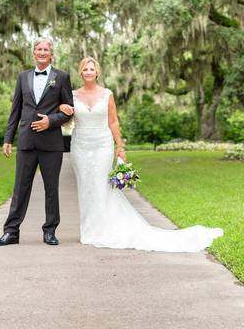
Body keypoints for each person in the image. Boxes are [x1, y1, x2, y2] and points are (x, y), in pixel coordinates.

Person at [68, 56, 224, 251]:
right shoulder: (71, 95)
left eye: (92, 69)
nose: (88, 72)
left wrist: (120, 147)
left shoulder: (107, 94)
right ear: (80, 72)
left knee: (101, 187)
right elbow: (65, 120)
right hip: (80, 146)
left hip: (102, 145)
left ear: (97, 72)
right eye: (85, 69)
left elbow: (114, 122)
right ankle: (88, 230)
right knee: (85, 187)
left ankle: (102, 229)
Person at [0, 38, 74, 246]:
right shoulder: (23, 77)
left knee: (51, 188)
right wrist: (8, 138)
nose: (42, 52)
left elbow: (68, 111)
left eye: (46, 49)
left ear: (51, 54)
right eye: (38, 49)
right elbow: (16, 110)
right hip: (27, 141)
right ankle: (11, 231)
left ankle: (50, 231)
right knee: (20, 187)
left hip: (52, 144)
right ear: (33, 53)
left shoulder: (62, 77)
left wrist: (51, 121)